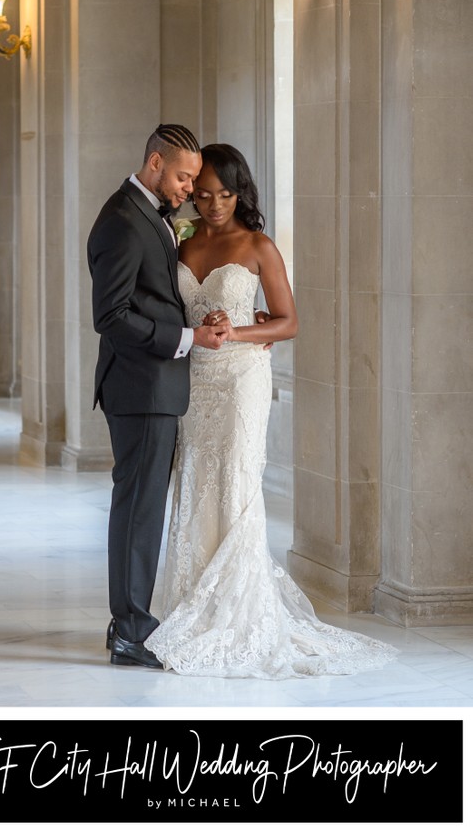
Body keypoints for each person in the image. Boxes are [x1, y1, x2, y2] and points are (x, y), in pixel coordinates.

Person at [146, 143, 398, 677]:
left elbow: (288, 322)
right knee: (196, 480)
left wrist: (239, 328)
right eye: (206, 194)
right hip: (195, 381)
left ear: (242, 193)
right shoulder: (182, 241)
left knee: (235, 485)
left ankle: (239, 613)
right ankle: (194, 603)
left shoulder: (259, 245)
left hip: (241, 381)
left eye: (226, 194)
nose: (215, 204)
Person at [87, 125, 231, 669]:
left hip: (152, 387)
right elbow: (111, 316)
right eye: (183, 176)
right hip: (140, 387)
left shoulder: (149, 214)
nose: (190, 189)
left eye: (193, 178)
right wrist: (187, 339)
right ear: (154, 162)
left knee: (142, 506)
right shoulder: (123, 221)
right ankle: (130, 629)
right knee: (139, 510)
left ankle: (127, 618)